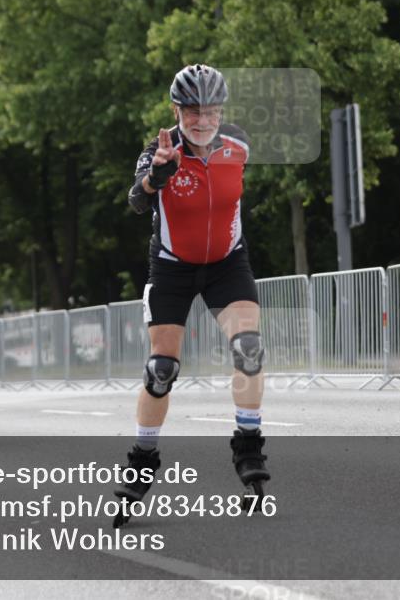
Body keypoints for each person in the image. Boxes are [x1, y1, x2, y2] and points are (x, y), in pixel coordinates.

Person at [115, 64, 269, 523]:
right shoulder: (159, 151)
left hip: (227, 264)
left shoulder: (239, 145)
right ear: (176, 111)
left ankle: (248, 446)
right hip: (172, 268)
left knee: (249, 347)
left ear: (222, 110)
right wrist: (157, 177)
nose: (202, 120)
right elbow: (136, 200)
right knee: (161, 369)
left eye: (211, 110)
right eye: (192, 111)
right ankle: (143, 458)